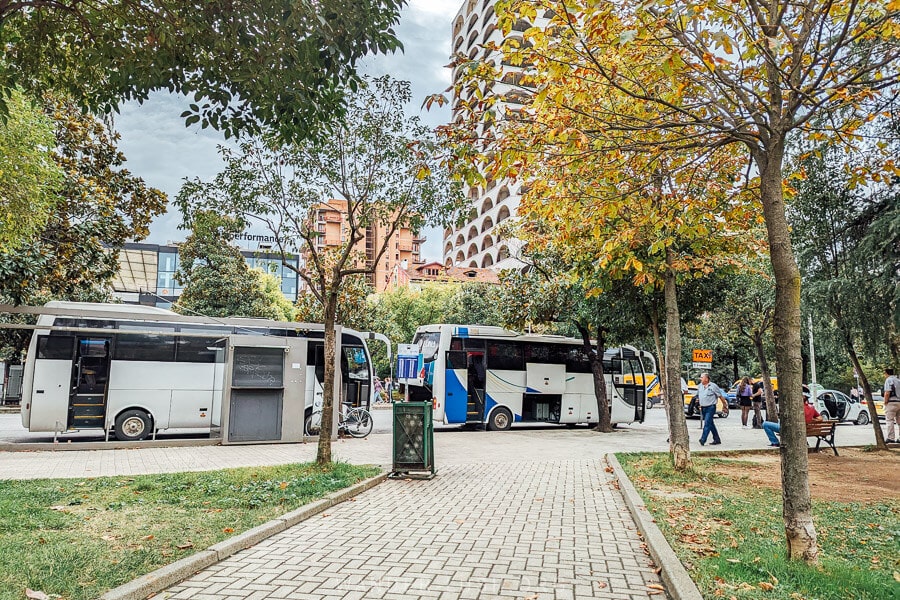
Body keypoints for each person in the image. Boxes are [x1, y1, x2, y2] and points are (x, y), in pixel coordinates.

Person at [696, 373, 727, 446]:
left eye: (702, 377)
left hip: (711, 407)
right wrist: (698, 403)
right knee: (710, 424)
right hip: (703, 407)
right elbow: (699, 396)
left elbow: (720, 396)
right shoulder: (700, 386)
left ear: (706, 379)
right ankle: (717, 439)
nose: (700, 379)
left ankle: (703, 439)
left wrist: (724, 405)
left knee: (707, 423)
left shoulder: (713, 386)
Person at [883, 368, 900, 444]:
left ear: (886, 373)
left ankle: (891, 438)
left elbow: (887, 392)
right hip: (899, 402)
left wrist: (885, 402)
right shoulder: (898, 380)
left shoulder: (888, 380)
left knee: (889, 420)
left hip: (891, 402)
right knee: (899, 421)